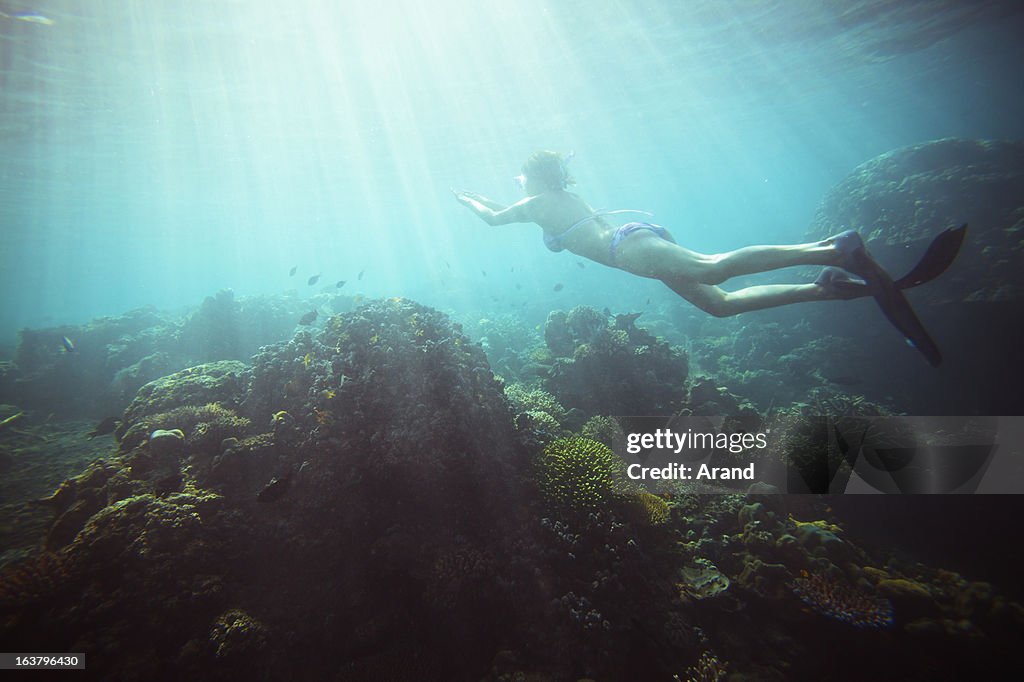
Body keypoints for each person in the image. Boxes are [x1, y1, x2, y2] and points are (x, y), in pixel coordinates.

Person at [453, 150, 879, 318]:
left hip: (630, 251)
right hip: (634, 245)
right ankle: (823, 288)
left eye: (519, 178)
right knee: (720, 305)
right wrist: (484, 198)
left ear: (533, 179)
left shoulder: (539, 202)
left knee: (714, 269)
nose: (518, 184)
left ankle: (829, 249)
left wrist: (467, 201)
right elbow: (505, 211)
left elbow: (494, 218)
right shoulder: (552, 199)